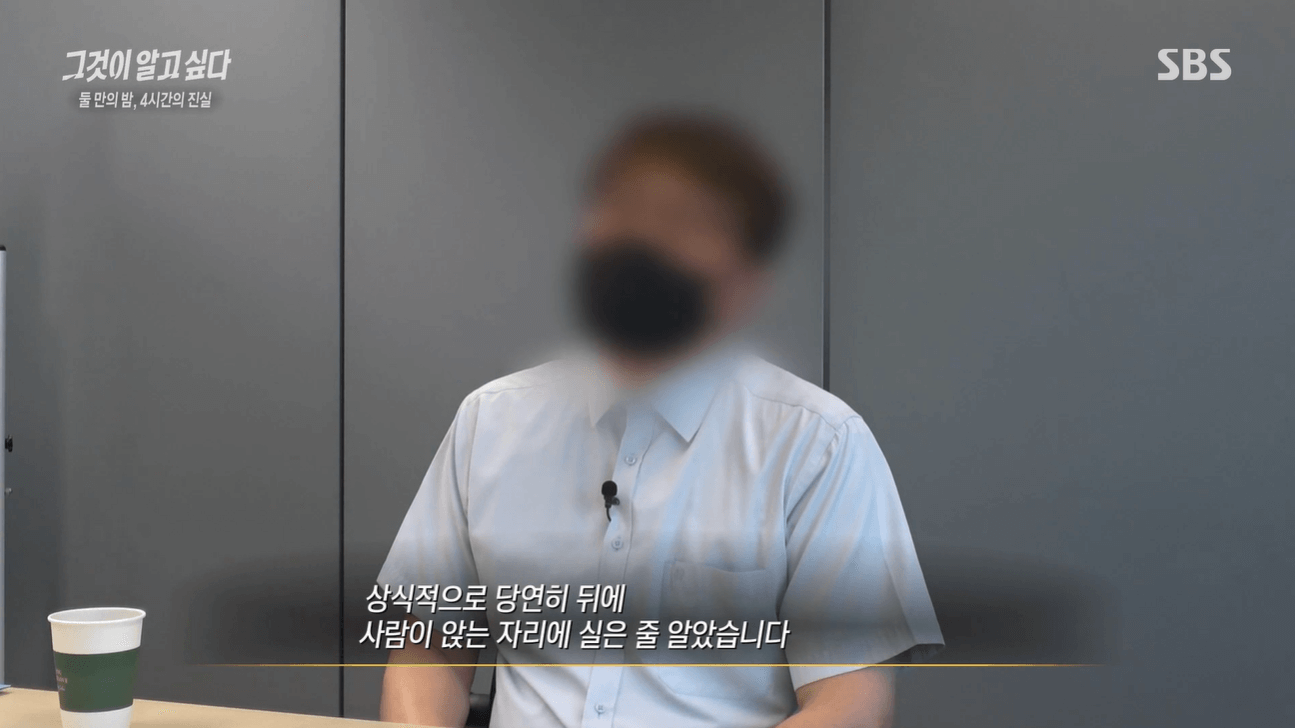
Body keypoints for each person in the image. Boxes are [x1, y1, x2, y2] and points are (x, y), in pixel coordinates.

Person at [376, 111, 943, 728]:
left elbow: (850, 706)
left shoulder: (818, 445)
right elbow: (427, 651)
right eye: (624, 211)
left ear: (744, 280)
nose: (643, 243)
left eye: (682, 222)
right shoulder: (490, 421)